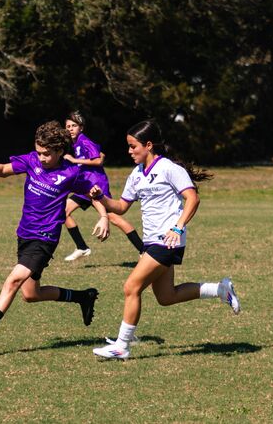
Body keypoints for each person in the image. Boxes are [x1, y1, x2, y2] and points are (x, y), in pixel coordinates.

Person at [89, 120, 240, 360]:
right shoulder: (136, 175)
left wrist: (178, 228)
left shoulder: (169, 168)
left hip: (168, 241)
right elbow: (121, 206)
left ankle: (122, 345)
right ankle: (220, 290)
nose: (129, 151)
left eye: (133, 146)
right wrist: (102, 198)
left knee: (131, 287)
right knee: (166, 297)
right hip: (151, 241)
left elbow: (192, 199)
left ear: (148, 145)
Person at [0, 121, 110, 355]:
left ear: (60, 151)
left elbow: (94, 193)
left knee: (12, 282)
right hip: (25, 234)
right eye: (39, 152)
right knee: (31, 295)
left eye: (47, 154)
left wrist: (103, 217)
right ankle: (83, 297)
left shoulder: (71, 173)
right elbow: (4, 170)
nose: (42, 158)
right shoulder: (31, 161)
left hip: (45, 238)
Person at [61, 111, 145, 261]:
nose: (70, 129)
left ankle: (143, 250)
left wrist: (74, 160)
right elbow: (100, 154)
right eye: (68, 126)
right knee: (63, 212)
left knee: (115, 219)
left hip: (96, 186)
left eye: (74, 126)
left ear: (81, 127)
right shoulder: (75, 143)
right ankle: (82, 247)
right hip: (84, 187)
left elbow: (98, 160)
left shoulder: (84, 141)